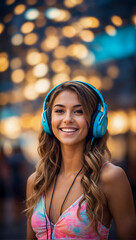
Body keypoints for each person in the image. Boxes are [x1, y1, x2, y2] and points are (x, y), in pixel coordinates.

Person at [26, 81, 136, 240]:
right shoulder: (36, 181)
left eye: (78, 111)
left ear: (96, 121)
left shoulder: (111, 177)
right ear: (48, 120)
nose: (67, 119)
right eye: (59, 111)